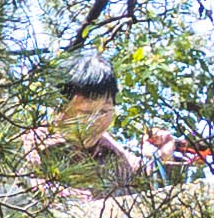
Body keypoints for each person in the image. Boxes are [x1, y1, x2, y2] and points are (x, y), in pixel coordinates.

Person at [25, 49, 138, 193]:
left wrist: (164, 154)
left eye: (104, 111)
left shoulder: (109, 148)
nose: (95, 121)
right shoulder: (39, 144)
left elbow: (144, 176)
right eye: (86, 112)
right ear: (59, 108)